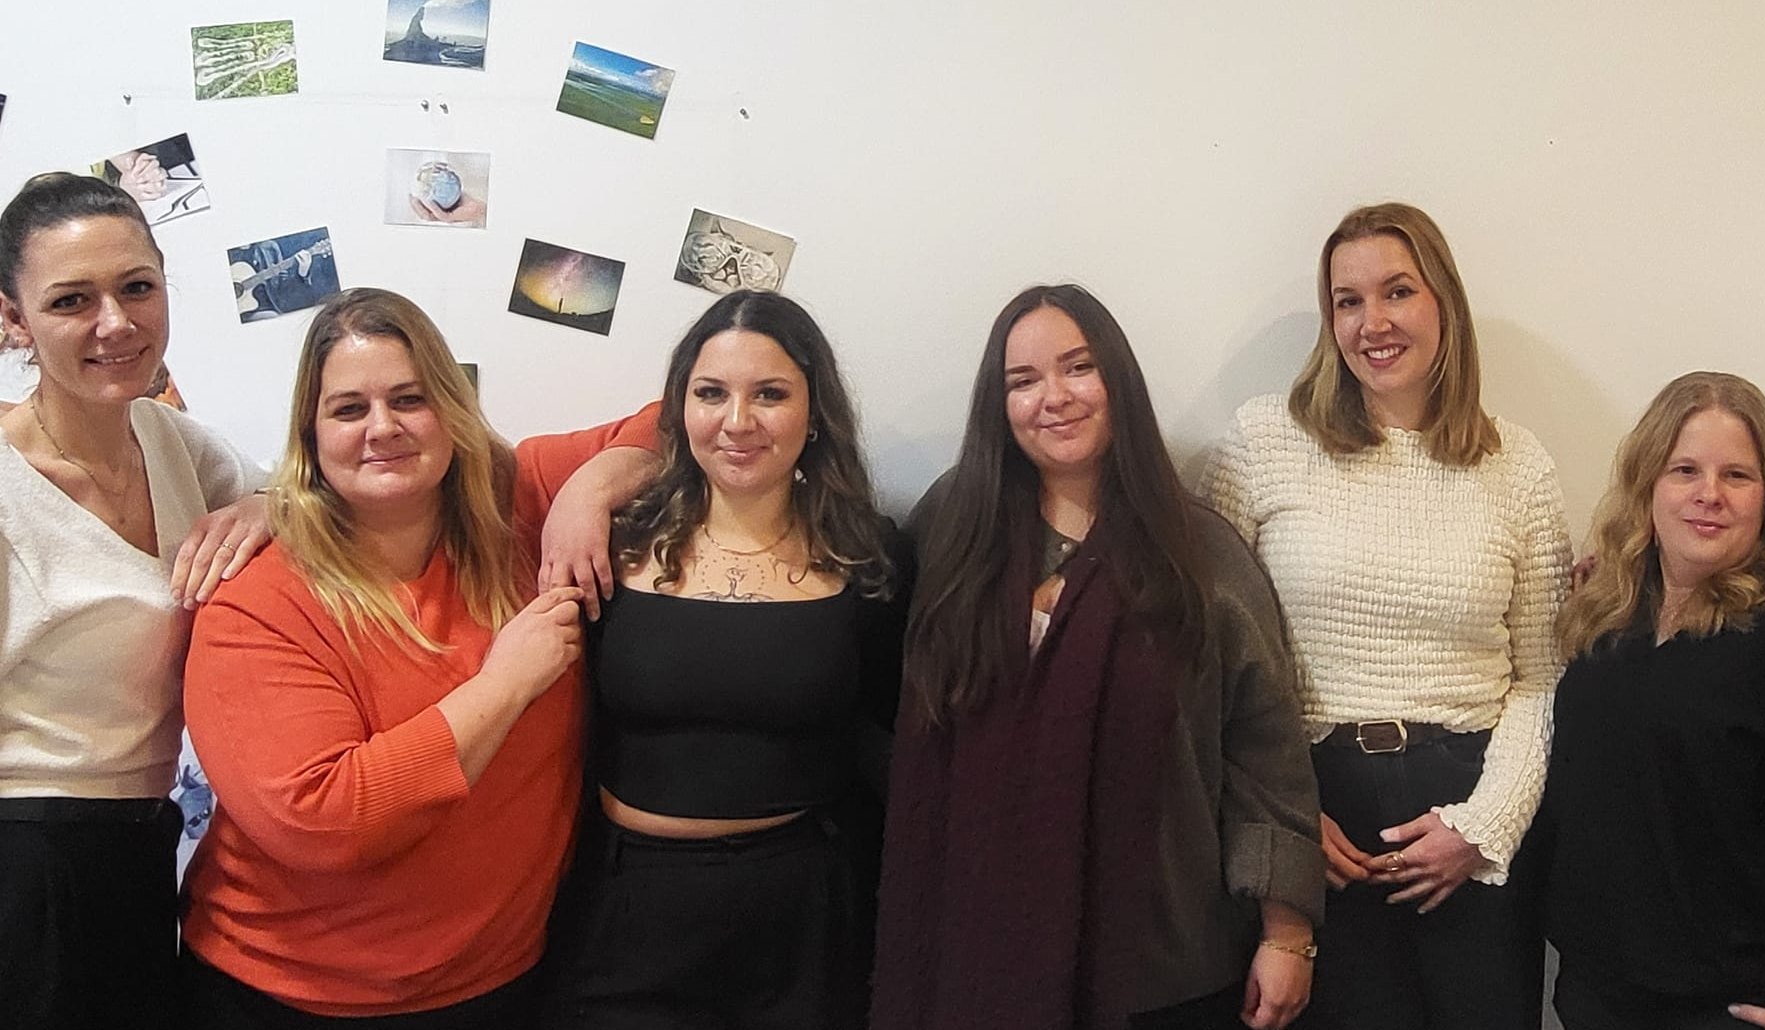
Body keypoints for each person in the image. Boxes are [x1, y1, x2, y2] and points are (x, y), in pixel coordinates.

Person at [179, 287, 655, 1027]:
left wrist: (588, 490)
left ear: (451, 408)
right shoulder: (256, 600)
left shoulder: (517, 501)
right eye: (349, 409)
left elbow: (681, 425)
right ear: (310, 434)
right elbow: (327, 820)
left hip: (502, 984)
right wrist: (507, 683)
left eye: (410, 399)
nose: (383, 428)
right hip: (288, 995)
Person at [873, 284, 1323, 1030]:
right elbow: (880, 688)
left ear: (1119, 380)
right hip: (970, 934)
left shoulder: (1199, 554)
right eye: (1023, 381)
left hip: (1153, 955)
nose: (1054, 397)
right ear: (998, 404)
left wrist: (1288, 931)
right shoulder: (952, 527)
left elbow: (1264, 750)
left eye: (1079, 368)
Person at [1202, 202, 1571, 1028]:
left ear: (1444, 302)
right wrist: (1282, 823)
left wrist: (1485, 826)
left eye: (1398, 291)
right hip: (1311, 811)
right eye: (1348, 300)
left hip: (1466, 812)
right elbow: (1213, 664)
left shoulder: (1518, 466)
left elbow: (1543, 678)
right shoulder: (1262, 442)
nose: (1373, 323)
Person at [544, 289, 910, 1029]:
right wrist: (587, 486)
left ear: (815, 411)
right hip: (627, 907)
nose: (737, 421)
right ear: (681, 408)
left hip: (802, 914)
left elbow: (895, 732)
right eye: (711, 393)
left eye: (770, 394)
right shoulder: (613, 543)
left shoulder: (869, 555)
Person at [1539, 372, 1765, 1030]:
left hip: (1733, 1005)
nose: (1708, 494)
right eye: (1685, 470)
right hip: (1598, 995)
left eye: (1736, 475)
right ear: (1648, 483)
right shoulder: (1608, 616)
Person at [0, 171, 267, 1029]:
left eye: (137, 288)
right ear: (14, 320)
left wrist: (266, 508)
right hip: (28, 863)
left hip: (142, 842)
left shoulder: (169, 437)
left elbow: (304, 495)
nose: (116, 323)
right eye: (72, 300)